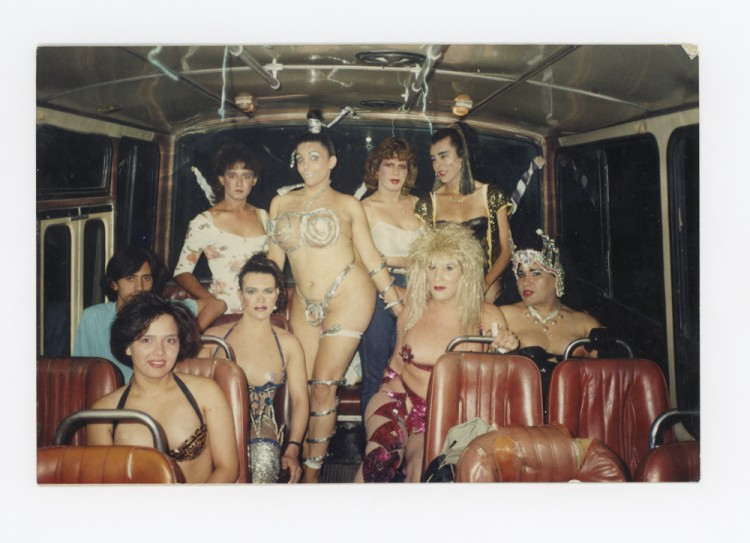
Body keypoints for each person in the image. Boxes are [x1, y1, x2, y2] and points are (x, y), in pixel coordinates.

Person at [266, 131, 403, 482]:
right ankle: (296, 457)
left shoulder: (348, 204)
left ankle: (312, 475)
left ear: (331, 162)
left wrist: (397, 305)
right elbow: (273, 265)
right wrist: (260, 307)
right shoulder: (280, 204)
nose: (306, 165)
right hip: (304, 302)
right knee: (302, 387)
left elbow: (371, 259)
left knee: (324, 385)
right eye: (300, 158)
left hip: (350, 295)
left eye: (314, 157)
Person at [355, 223, 519, 483]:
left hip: (447, 414)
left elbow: (498, 380)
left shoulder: (486, 315)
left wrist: (503, 346)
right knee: (380, 459)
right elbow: (395, 365)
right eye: (431, 267)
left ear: (466, 271)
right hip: (397, 400)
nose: (438, 277)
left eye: (449, 268)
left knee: (422, 472)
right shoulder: (412, 311)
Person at [86, 292, 239, 484]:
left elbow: (228, 469)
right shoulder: (103, 412)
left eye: (170, 340)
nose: (160, 351)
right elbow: (105, 483)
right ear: (128, 346)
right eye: (147, 340)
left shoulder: (206, 393)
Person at [203, 253, 308, 483]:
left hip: (261, 428)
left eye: (268, 291)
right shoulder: (213, 340)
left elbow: (300, 400)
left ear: (277, 294)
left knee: (263, 456)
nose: (260, 299)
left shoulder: (289, 344)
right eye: (252, 291)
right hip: (214, 428)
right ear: (241, 295)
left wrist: (293, 448)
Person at [73, 247, 226, 382]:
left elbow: (217, 304)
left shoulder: (165, 312)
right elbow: (82, 370)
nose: (139, 287)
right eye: (130, 278)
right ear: (114, 284)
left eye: (146, 278)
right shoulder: (93, 318)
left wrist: (189, 335)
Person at [174, 143, 282, 314]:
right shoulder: (204, 222)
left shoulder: (264, 216)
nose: (239, 182)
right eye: (232, 175)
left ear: (254, 180)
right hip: (224, 312)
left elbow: (275, 265)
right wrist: (213, 302)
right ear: (222, 179)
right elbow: (182, 272)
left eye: (246, 176)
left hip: (259, 309)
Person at [357, 137, 423, 416]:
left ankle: (409, 433)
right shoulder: (364, 208)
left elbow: (432, 254)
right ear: (376, 169)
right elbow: (362, 259)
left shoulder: (420, 204)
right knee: (377, 371)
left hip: (419, 288)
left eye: (402, 166)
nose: (396, 172)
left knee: (413, 368)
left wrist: (389, 257)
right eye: (389, 164)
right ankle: (372, 436)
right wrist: (390, 282)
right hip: (378, 288)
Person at [499, 229, 602, 405]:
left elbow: (603, 383)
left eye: (535, 273)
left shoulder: (586, 324)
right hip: (520, 407)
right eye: (521, 274)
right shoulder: (504, 315)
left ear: (557, 278)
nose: (526, 282)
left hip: (575, 408)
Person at [415, 122, 512, 303]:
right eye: (433, 159)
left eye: (444, 156)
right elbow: (424, 255)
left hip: (485, 287)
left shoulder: (491, 195)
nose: (438, 165)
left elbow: (507, 250)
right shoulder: (428, 203)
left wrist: (485, 283)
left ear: (462, 155)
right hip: (443, 286)